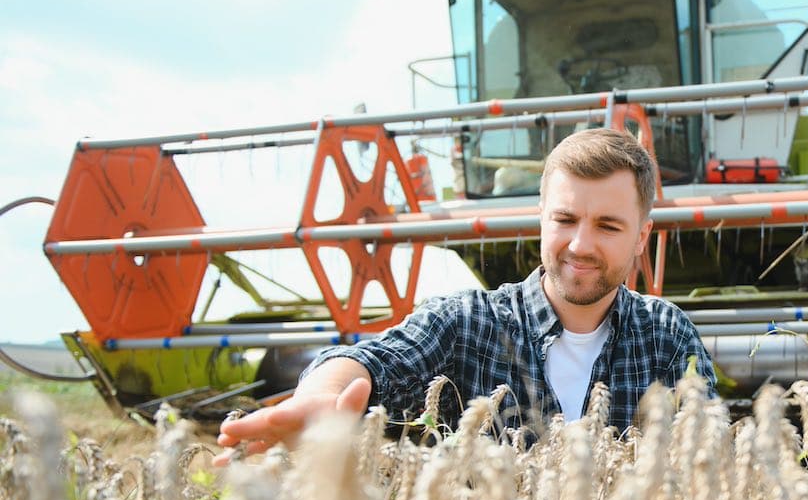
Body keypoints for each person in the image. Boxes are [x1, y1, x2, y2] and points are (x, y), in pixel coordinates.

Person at [215, 128, 716, 463]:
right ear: (541, 217)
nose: (580, 245)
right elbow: (374, 361)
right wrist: (321, 398)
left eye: (607, 226)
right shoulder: (468, 323)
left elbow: (705, 462)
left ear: (641, 237)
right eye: (565, 220)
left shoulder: (666, 336)